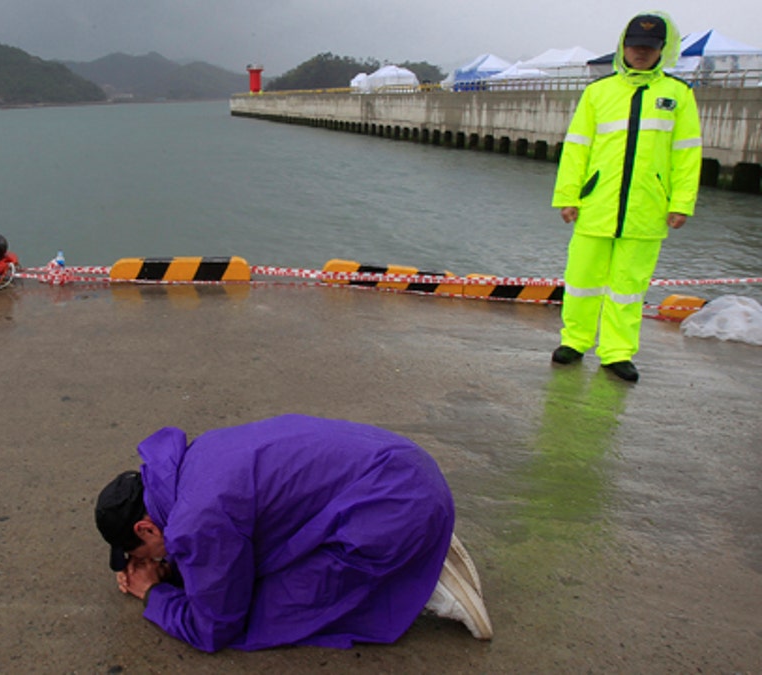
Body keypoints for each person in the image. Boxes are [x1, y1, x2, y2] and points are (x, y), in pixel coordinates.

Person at [94, 414, 492, 652]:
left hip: (400, 509)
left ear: (145, 527)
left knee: (265, 611)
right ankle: (420, 547)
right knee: (251, 566)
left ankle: (425, 583)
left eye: (144, 553)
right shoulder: (194, 460)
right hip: (404, 471)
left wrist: (156, 593)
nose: (153, 561)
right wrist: (180, 572)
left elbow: (213, 628)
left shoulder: (196, 520)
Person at [550, 11, 702, 382]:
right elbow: (576, 149)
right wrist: (568, 196)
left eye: (649, 47)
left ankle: (617, 352)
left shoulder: (678, 95)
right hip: (595, 205)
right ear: (623, 46)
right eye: (634, 45)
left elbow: (687, 153)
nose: (640, 53)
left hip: (646, 210)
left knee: (628, 287)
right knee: (582, 280)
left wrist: (681, 202)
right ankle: (575, 341)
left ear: (662, 50)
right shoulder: (598, 93)